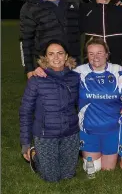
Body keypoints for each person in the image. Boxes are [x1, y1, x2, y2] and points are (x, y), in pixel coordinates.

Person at [19, 40, 80, 182]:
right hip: (46, 134)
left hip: (70, 132)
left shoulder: (75, 78)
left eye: (60, 53)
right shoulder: (36, 80)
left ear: (66, 57)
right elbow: (25, 112)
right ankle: (35, 154)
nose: (56, 58)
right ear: (45, 58)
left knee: (67, 176)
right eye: (51, 54)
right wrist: (25, 143)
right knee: (51, 179)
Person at [20, 0, 81, 78]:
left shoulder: (74, 2)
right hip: (45, 67)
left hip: (73, 65)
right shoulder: (31, 7)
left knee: (73, 96)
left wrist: (114, 2)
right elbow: (25, 40)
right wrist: (29, 69)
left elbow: (93, 14)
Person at [75, 38, 122, 172]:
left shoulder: (118, 71)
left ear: (107, 54)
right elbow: (58, 77)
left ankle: (120, 154)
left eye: (99, 53)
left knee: (108, 170)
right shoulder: (79, 72)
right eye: (91, 53)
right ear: (87, 55)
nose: (95, 57)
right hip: (88, 130)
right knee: (92, 170)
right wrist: (40, 71)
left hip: (112, 129)